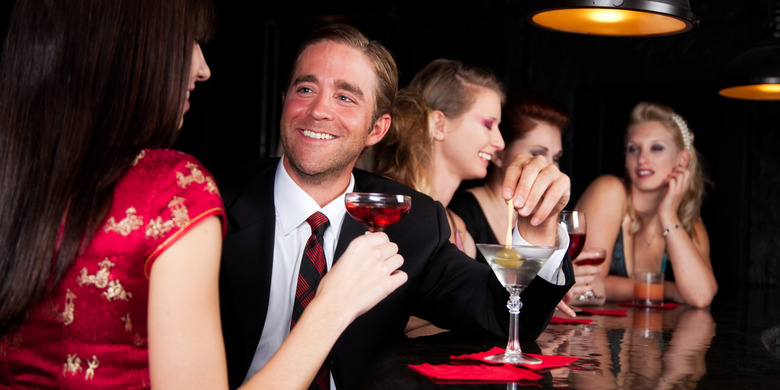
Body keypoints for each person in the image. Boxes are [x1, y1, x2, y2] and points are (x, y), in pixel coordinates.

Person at [0, 0, 404, 389]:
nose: (203, 68)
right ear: (131, 45)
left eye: (345, 98)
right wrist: (334, 304)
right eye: (189, 39)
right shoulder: (174, 192)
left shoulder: (17, 173)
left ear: (377, 128)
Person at [218, 23, 575, 390]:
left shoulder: (412, 223)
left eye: (345, 97)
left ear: (377, 128)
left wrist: (537, 231)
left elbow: (507, 319)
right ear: (284, 101)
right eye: (305, 89)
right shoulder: (211, 203)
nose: (318, 110)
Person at [447, 90, 596, 316]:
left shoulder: (542, 219)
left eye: (556, 157)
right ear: (498, 154)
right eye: (537, 153)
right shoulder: (462, 215)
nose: (550, 168)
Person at [574, 101, 717, 308]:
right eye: (633, 149)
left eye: (656, 148)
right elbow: (588, 286)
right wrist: (667, 289)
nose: (642, 159)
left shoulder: (689, 224)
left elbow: (701, 296)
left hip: (651, 336)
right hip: (589, 335)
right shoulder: (609, 191)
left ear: (682, 159)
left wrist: (668, 214)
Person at [368, 58, 506, 259]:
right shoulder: (386, 207)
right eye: (488, 124)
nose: (500, 142)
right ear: (439, 125)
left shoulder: (460, 230)